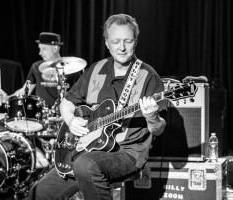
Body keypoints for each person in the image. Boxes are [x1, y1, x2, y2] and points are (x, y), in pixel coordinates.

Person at [28, 14, 167, 200]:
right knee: (38, 193)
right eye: (116, 41)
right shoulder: (96, 69)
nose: (122, 47)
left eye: (127, 40)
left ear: (136, 41)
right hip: (86, 149)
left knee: (85, 165)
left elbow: (158, 129)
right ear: (107, 43)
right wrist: (71, 120)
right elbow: (67, 102)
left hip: (127, 154)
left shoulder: (148, 76)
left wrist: (152, 116)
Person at [0, 32, 81, 108]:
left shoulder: (72, 68)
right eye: (39, 49)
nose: (40, 53)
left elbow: (80, 96)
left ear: (55, 48)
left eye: (44, 49)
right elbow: (25, 90)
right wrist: (8, 98)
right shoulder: (36, 67)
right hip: (42, 115)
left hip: (66, 115)